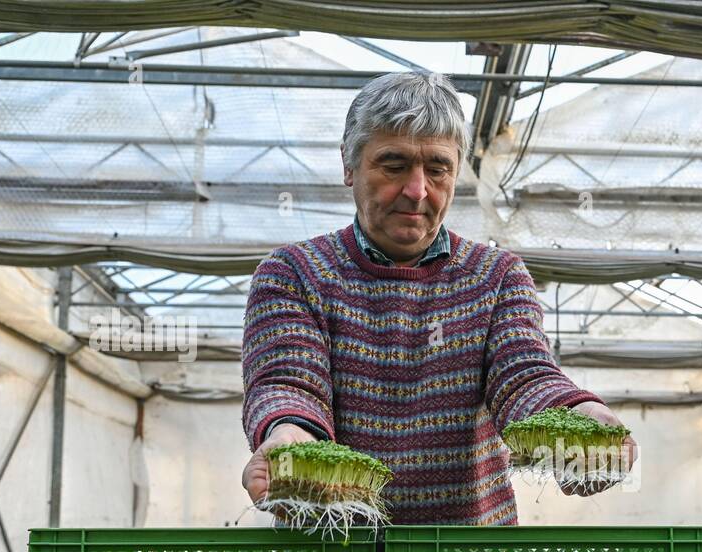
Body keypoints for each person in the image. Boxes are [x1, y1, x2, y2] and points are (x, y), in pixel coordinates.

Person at [240, 70, 637, 524]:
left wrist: (576, 413)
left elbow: (523, 373)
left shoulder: (496, 276)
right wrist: (290, 433)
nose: (417, 190)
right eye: (393, 165)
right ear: (349, 166)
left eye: (437, 168)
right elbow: (289, 383)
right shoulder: (294, 274)